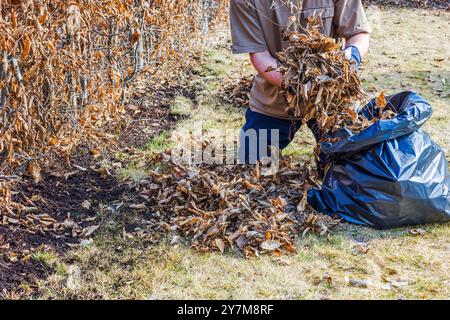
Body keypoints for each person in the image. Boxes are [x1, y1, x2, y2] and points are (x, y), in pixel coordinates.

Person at [230, 0, 371, 165]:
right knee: (249, 165)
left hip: (330, 98)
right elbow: (260, 56)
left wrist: (349, 60)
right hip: (275, 98)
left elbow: (357, 33)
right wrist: (301, 84)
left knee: (351, 169)